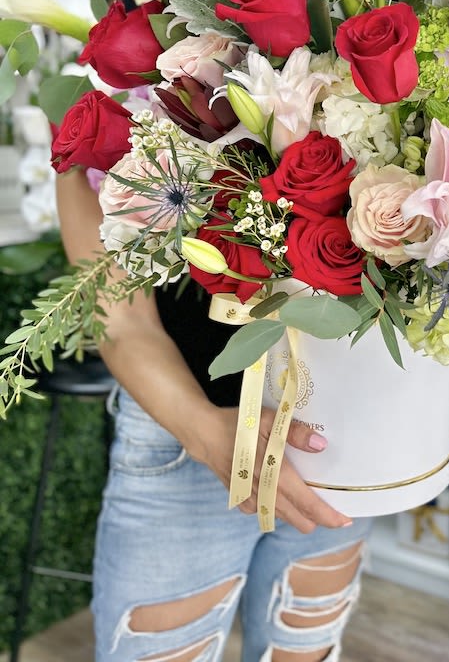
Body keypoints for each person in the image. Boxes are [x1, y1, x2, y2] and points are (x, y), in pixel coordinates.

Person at [57, 167, 372, 662]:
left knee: (306, 648)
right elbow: (118, 313)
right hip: (184, 436)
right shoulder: (101, 93)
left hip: (335, 438)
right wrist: (203, 431)